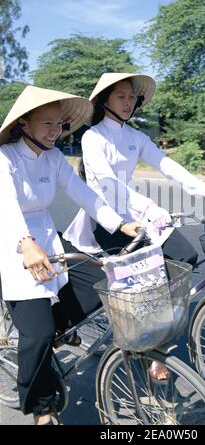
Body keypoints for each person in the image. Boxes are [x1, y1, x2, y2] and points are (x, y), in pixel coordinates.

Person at [63, 73, 205, 381]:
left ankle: (153, 333)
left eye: (131, 98)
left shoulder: (135, 137)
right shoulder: (93, 137)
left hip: (137, 210)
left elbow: (167, 165)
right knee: (144, 280)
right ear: (104, 101)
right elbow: (108, 184)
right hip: (108, 218)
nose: (128, 104)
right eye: (120, 97)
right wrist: (150, 208)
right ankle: (153, 349)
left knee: (184, 258)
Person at [0, 85, 140, 425]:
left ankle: (55, 330)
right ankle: (40, 407)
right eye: (46, 123)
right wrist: (25, 242)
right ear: (23, 124)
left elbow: (85, 194)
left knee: (99, 281)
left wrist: (122, 225)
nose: (55, 130)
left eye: (59, 123)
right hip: (12, 241)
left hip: (48, 240)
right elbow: (6, 205)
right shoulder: (5, 158)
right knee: (38, 336)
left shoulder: (53, 157)